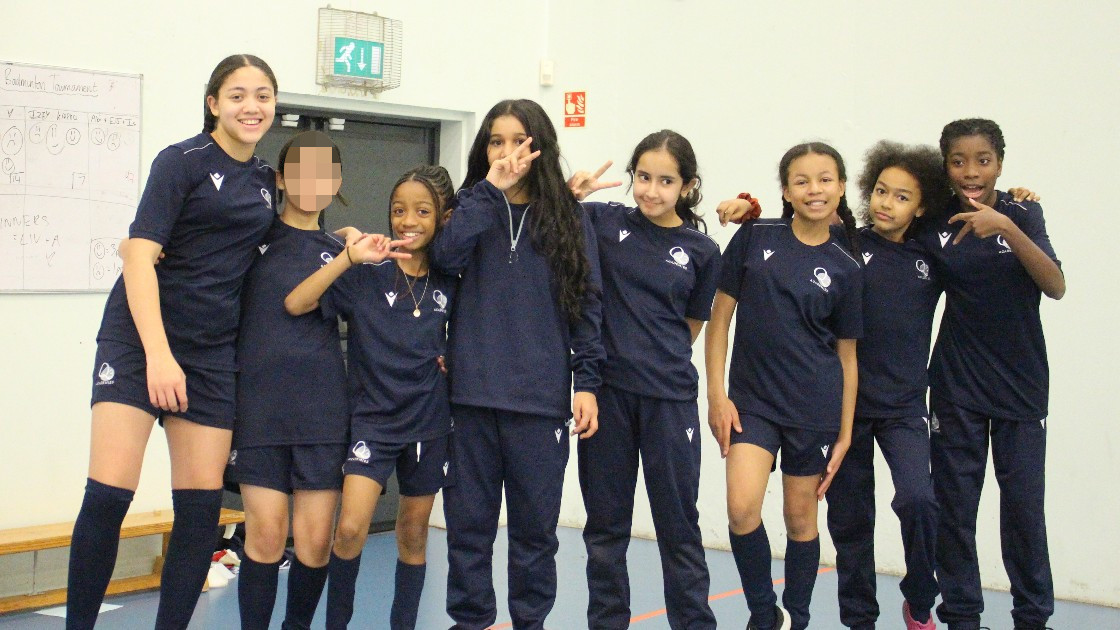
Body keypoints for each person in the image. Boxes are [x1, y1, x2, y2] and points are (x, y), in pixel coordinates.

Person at [67, 54, 279, 629]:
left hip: (211, 355)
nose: (251, 106)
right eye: (237, 95)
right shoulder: (180, 162)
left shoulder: (265, 182)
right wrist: (159, 356)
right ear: (214, 103)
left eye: (263, 95)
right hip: (139, 344)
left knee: (200, 511)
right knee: (109, 496)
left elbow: (276, 256)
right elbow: (138, 255)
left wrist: (343, 241)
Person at [429, 99, 605, 630]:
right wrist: (490, 190)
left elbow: (586, 303)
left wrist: (587, 382)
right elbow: (445, 258)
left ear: (540, 147)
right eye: (495, 142)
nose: (507, 152)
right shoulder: (470, 205)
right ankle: (471, 621)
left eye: (518, 141)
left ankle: (531, 621)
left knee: (535, 535)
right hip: (469, 398)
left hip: (539, 402)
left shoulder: (567, 216)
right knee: (467, 530)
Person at [568, 130, 720, 629]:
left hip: (670, 401)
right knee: (606, 530)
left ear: (688, 185)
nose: (651, 190)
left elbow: (691, 328)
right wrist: (573, 193)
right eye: (644, 178)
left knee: (679, 527)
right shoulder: (602, 221)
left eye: (666, 181)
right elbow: (548, 223)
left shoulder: (701, 250)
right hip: (607, 398)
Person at [707, 142, 862, 630]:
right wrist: (716, 394)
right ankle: (761, 612)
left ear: (840, 186)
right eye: (801, 180)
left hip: (814, 409)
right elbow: (719, 320)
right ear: (786, 190)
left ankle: (798, 616)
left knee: (800, 522)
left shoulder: (847, 265)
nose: (814, 189)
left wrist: (845, 433)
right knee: (740, 508)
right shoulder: (755, 236)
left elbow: (848, 357)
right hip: (751, 404)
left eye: (824, 179)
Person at [922, 118, 1064, 630]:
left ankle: (1032, 616)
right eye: (958, 161)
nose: (970, 170)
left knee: (1024, 511)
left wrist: (1007, 227)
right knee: (954, 508)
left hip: (1022, 386)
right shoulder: (934, 222)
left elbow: (1055, 284)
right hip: (957, 384)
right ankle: (961, 615)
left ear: (1000, 164)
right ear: (946, 167)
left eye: (982, 160)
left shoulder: (1025, 211)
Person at [228, 130, 352, 630]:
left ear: (337, 181)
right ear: (280, 178)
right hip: (258, 409)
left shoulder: (344, 252)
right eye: (301, 170)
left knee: (316, 539)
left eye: (324, 172)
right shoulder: (249, 240)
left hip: (322, 413)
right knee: (264, 535)